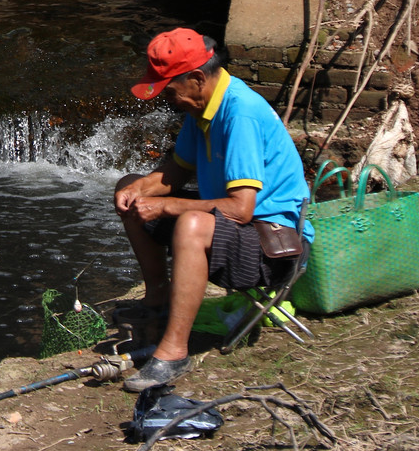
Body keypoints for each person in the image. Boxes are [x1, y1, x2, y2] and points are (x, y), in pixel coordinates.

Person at [113, 27, 313, 392]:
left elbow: (241, 209)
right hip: (239, 232)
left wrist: (169, 205)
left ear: (196, 79)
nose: (166, 100)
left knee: (190, 222)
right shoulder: (200, 109)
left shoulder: (240, 115)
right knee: (131, 185)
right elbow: (174, 172)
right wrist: (137, 189)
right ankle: (158, 298)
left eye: (169, 90)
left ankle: (174, 353)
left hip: (276, 248)